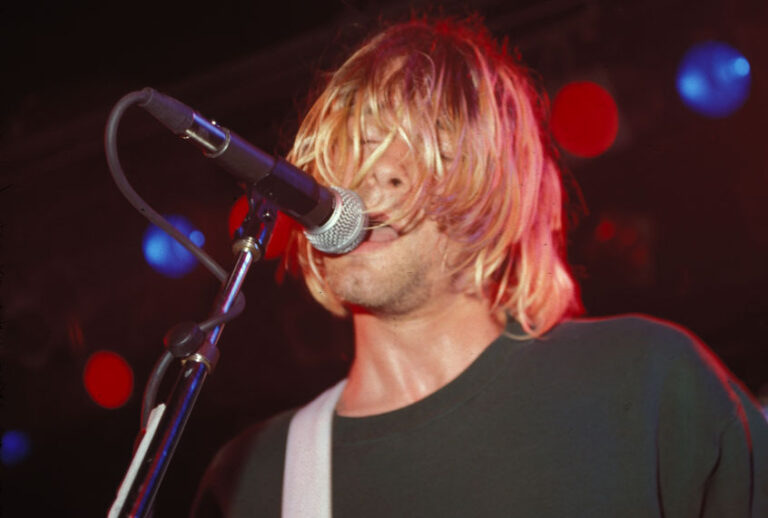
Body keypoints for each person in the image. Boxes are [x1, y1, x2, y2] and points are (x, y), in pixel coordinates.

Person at [191, 16, 768, 517]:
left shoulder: (649, 386)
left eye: (428, 146)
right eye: (356, 146)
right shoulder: (252, 481)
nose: (375, 175)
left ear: (499, 183)